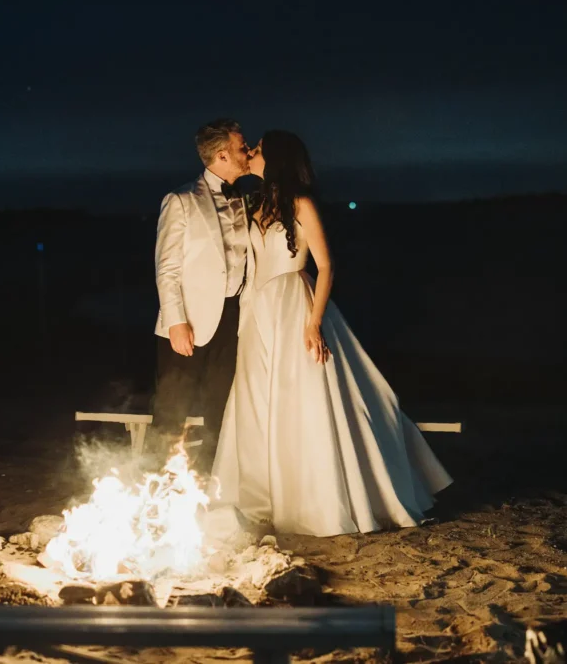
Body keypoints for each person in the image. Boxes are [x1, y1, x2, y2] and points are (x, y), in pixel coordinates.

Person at [209, 131, 453, 537]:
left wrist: (313, 322)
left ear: (276, 158)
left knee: (299, 396)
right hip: (259, 309)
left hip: (292, 302)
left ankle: (313, 498)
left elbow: (326, 265)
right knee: (257, 399)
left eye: (257, 149)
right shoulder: (256, 203)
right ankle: (262, 494)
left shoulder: (300, 202)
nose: (249, 152)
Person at [151, 118, 251, 472]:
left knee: (221, 408)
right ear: (222, 154)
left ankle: (213, 484)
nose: (248, 151)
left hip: (234, 316)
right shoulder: (180, 199)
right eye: (242, 147)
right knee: (171, 410)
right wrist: (177, 321)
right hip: (188, 322)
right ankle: (153, 486)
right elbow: (167, 268)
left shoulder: (246, 198)